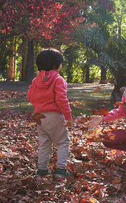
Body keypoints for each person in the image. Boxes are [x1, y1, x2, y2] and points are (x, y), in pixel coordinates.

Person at [27, 48, 72, 179]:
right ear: (55, 65)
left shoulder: (36, 80)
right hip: (54, 115)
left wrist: (40, 104)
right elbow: (61, 99)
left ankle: (42, 169)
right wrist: (68, 117)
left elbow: (30, 96)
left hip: (39, 116)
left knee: (44, 142)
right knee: (63, 142)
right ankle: (61, 170)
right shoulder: (58, 79)